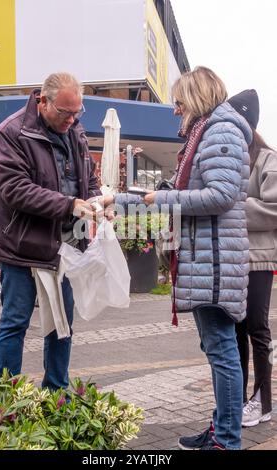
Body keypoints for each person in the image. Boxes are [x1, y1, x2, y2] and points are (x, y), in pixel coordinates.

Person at [103, 66, 252, 450]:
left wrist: (160, 199)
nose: (174, 110)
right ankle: (221, 431)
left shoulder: (220, 131)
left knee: (221, 351)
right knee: (217, 349)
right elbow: (180, 194)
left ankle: (228, 440)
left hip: (214, 262)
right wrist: (115, 201)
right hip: (207, 260)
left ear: (198, 97)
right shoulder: (207, 133)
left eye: (179, 101)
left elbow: (219, 196)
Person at [0, 72, 100, 390]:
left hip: (65, 247)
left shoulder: (75, 131)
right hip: (21, 247)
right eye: (65, 112)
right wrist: (69, 205)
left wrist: (95, 199)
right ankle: (5, 400)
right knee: (15, 322)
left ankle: (56, 394)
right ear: (43, 101)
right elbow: (15, 190)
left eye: (77, 112)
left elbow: (86, 175)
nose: (72, 119)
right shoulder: (10, 133)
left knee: (61, 326)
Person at [228, 90, 276, 427]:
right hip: (232, 257)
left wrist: (232, 207)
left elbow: (275, 208)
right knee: (235, 329)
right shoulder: (231, 156)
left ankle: (263, 401)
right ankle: (242, 399)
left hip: (259, 259)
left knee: (257, 328)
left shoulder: (268, 159)